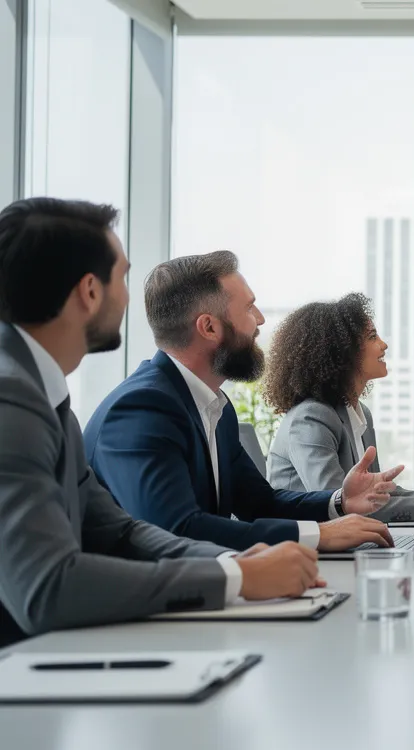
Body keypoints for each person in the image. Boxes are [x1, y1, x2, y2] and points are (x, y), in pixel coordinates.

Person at [0, 198, 322, 647]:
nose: (131, 298)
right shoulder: (11, 400)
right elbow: (47, 586)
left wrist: (238, 567)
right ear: (89, 291)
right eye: (123, 276)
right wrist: (233, 577)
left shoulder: (42, 396)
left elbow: (120, 532)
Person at [83, 251, 400, 553]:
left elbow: (260, 503)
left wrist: (339, 502)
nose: (260, 320)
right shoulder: (142, 409)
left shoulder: (214, 407)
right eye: (250, 308)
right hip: (145, 604)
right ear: (209, 327)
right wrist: (318, 535)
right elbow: (178, 530)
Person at [264, 293, 414, 521]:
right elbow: (340, 502)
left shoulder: (360, 414)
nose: (383, 344)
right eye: (372, 337)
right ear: (342, 351)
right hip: (308, 547)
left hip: (346, 542)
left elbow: (377, 493)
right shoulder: (311, 417)